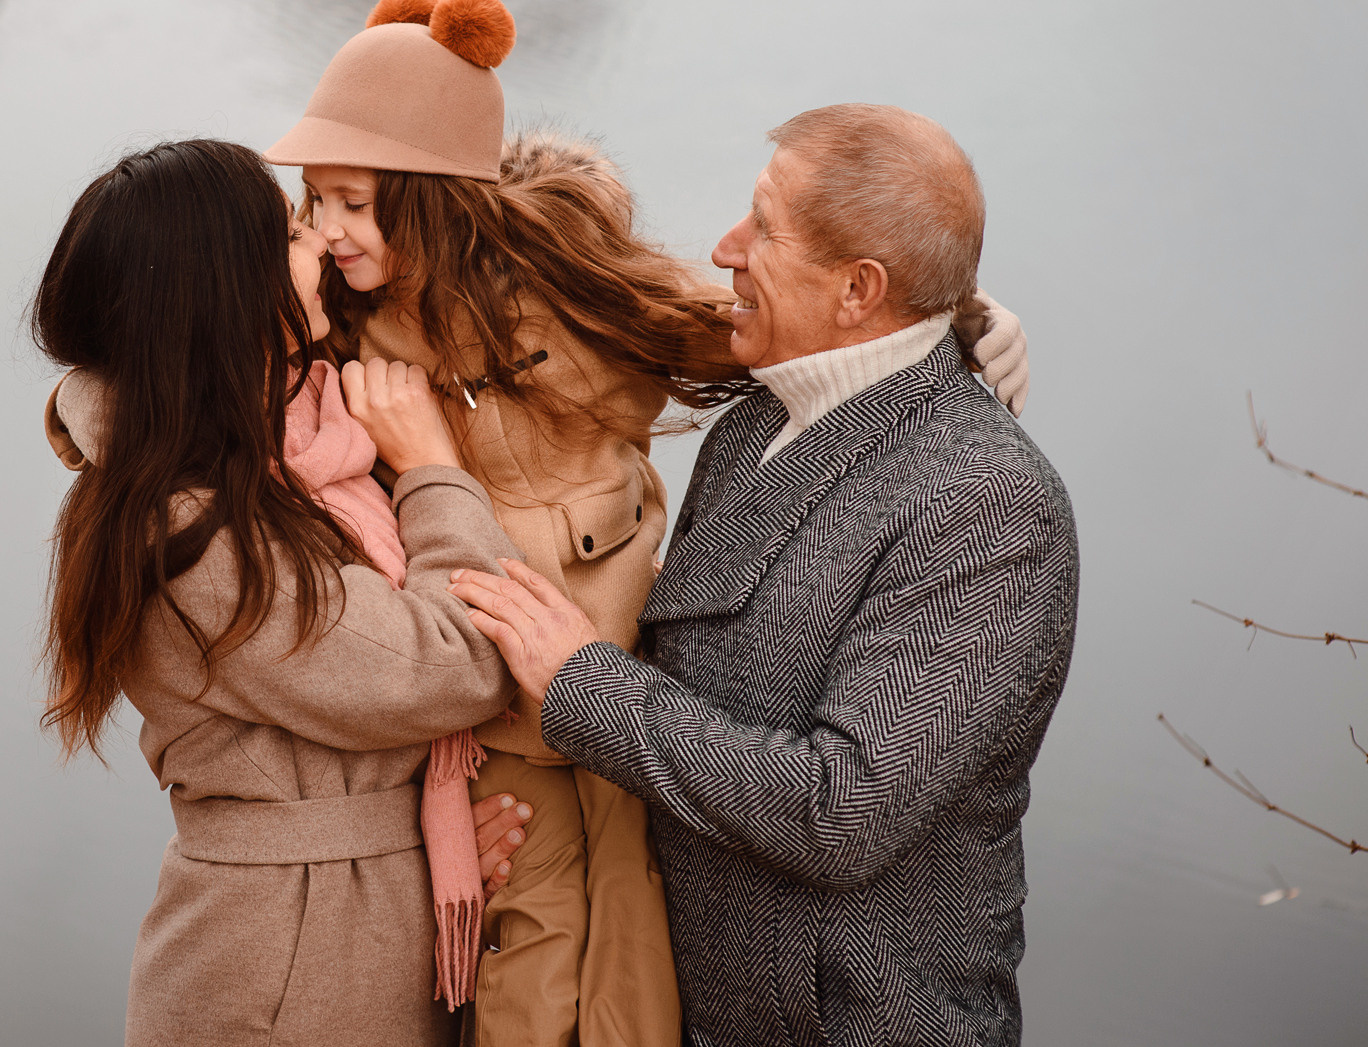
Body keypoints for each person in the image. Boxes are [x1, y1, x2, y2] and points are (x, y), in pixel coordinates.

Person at [265, 0, 1033, 1047]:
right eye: (315, 202)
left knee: (604, 991)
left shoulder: (976, 503)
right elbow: (159, 375)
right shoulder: (329, 330)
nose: (723, 246)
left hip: (629, 779)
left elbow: (726, 330)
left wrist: (962, 324)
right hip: (493, 764)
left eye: (352, 201)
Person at [452, 104, 1080, 1047]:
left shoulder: (987, 503)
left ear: (859, 289)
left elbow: (844, 808)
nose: (724, 246)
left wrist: (581, 683)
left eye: (763, 226)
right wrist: (503, 821)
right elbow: (680, 699)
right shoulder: (756, 422)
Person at [34, 138, 534, 1047]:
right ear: (236, 295)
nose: (318, 246)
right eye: (294, 231)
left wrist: (423, 840)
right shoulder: (195, 535)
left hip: (331, 926)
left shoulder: (270, 458)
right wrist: (431, 468)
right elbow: (458, 662)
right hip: (283, 977)